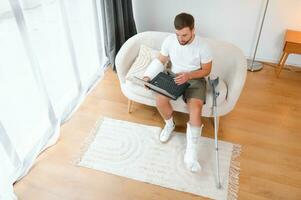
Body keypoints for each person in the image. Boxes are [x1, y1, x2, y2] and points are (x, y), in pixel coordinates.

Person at [142, 13, 212, 172]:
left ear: (193, 30)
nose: (181, 39)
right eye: (178, 34)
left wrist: (189, 75)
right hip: (173, 76)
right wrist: (148, 75)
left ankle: (191, 153)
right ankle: (169, 125)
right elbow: (161, 60)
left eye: (185, 35)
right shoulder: (170, 41)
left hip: (194, 78)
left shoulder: (204, 46)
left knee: (196, 108)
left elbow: (207, 70)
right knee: (160, 99)